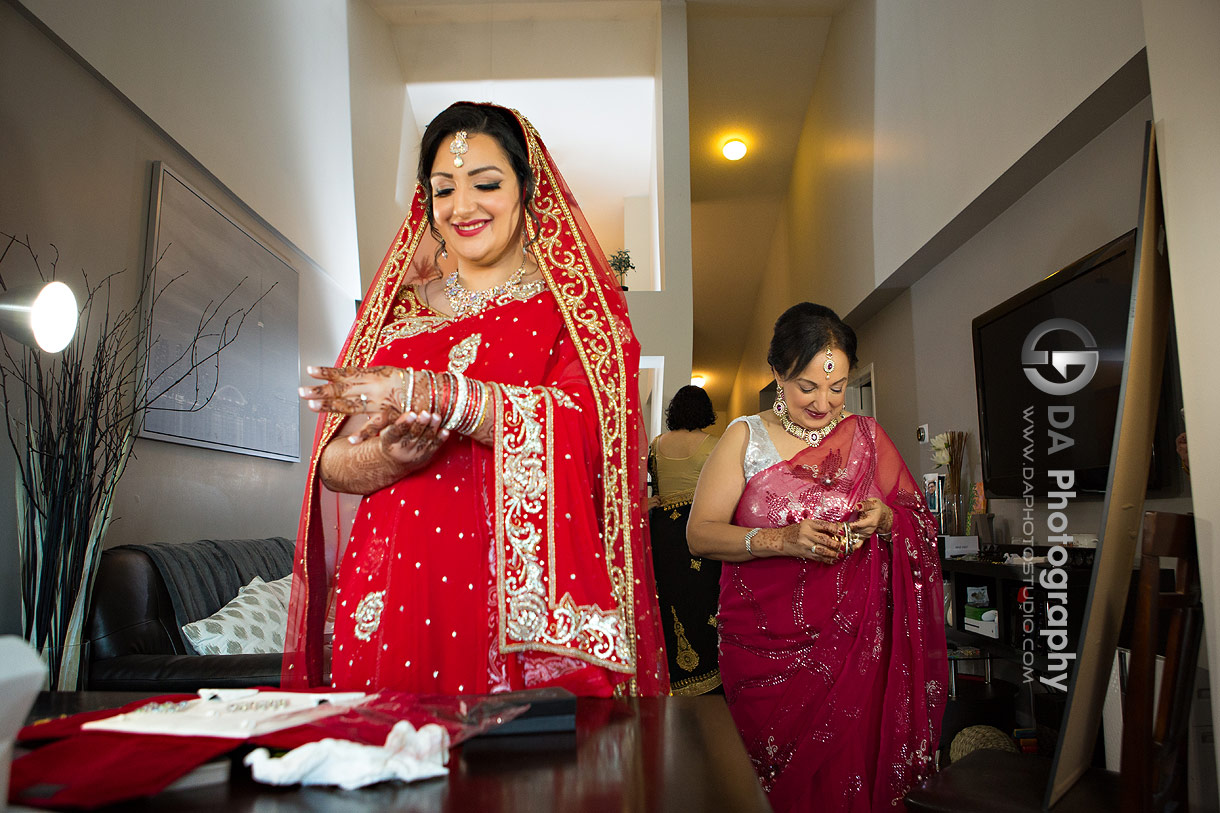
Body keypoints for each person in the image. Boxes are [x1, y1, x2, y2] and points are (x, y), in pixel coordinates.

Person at [282, 102, 668, 698]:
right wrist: (390, 457)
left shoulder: (579, 317)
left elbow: (590, 435)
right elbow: (332, 467)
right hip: (395, 596)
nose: (463, 207)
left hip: (512, 610)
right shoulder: (398, 319)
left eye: (486, 184)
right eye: (443, 190)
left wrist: (432, 392)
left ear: (526, 190)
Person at [687, 302, 946, 811]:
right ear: (778, 374)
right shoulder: (745, 437)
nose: (824, 402)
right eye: (807, 386)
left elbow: (919, 522)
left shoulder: (868, 437)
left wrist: (886, 521)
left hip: (852, 647)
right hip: (761, 650)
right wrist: (781, 540)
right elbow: (699, 535)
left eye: (837, 386)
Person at [647, 385, 721, 695]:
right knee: (703, 599)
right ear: (705, 411)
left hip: (663, 533)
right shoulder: (715, 445)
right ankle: (709, 675)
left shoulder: (655, 444)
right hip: (698, 529)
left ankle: (671, 679)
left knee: (668, 599)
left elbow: (654, 492)